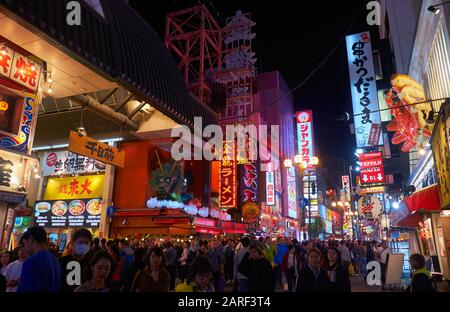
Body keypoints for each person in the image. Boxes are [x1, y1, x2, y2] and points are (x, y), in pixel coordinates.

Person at [17, 226, 61, 292]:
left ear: (31, 239)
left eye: (24, 242)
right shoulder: (55, 261)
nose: (24, 247)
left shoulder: (32, 261)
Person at [59, 228, 93, 292]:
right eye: (80, 242)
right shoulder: (61, 262)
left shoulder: (91, 264)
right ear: (73, 242)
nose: (83, 245)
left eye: (86, 243)